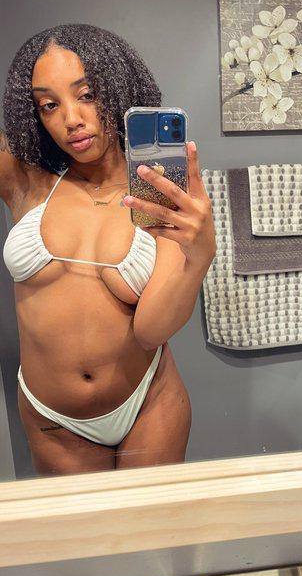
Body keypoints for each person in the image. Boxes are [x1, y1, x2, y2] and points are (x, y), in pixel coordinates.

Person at [0, 23, 216, 476]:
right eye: (49, 105)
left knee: (154, 524)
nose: (71, 119)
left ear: (117, 88)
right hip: (53, 420)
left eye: (87, 94)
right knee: (83, 527)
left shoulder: (156, 192)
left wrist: (200, 258)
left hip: (148, 404)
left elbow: (151, 331)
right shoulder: (26, 182)